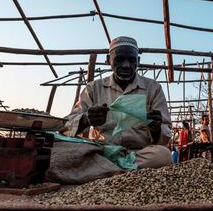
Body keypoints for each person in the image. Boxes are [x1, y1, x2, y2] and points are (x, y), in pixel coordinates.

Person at [47, 36, 173, 184]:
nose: (126, 65)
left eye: (132, 60)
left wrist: (156, 127)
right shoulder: (93, 88)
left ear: (138, 61)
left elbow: (165, 134)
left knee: (163, 155)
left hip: (139, 154)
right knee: (56, 150)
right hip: (101, 152)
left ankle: (104, 172)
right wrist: (86, 119)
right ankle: (124, 172)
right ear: (108, 60)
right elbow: (66, 126)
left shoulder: (153, 88)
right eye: (119, 60)